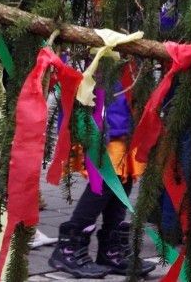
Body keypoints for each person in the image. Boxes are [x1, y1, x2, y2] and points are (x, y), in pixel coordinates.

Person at [50, 78, 157, 277]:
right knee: (107, 180)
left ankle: (111, 249)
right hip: (104, 113)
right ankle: (69, 247)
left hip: (125, 113)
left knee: (124, 178)